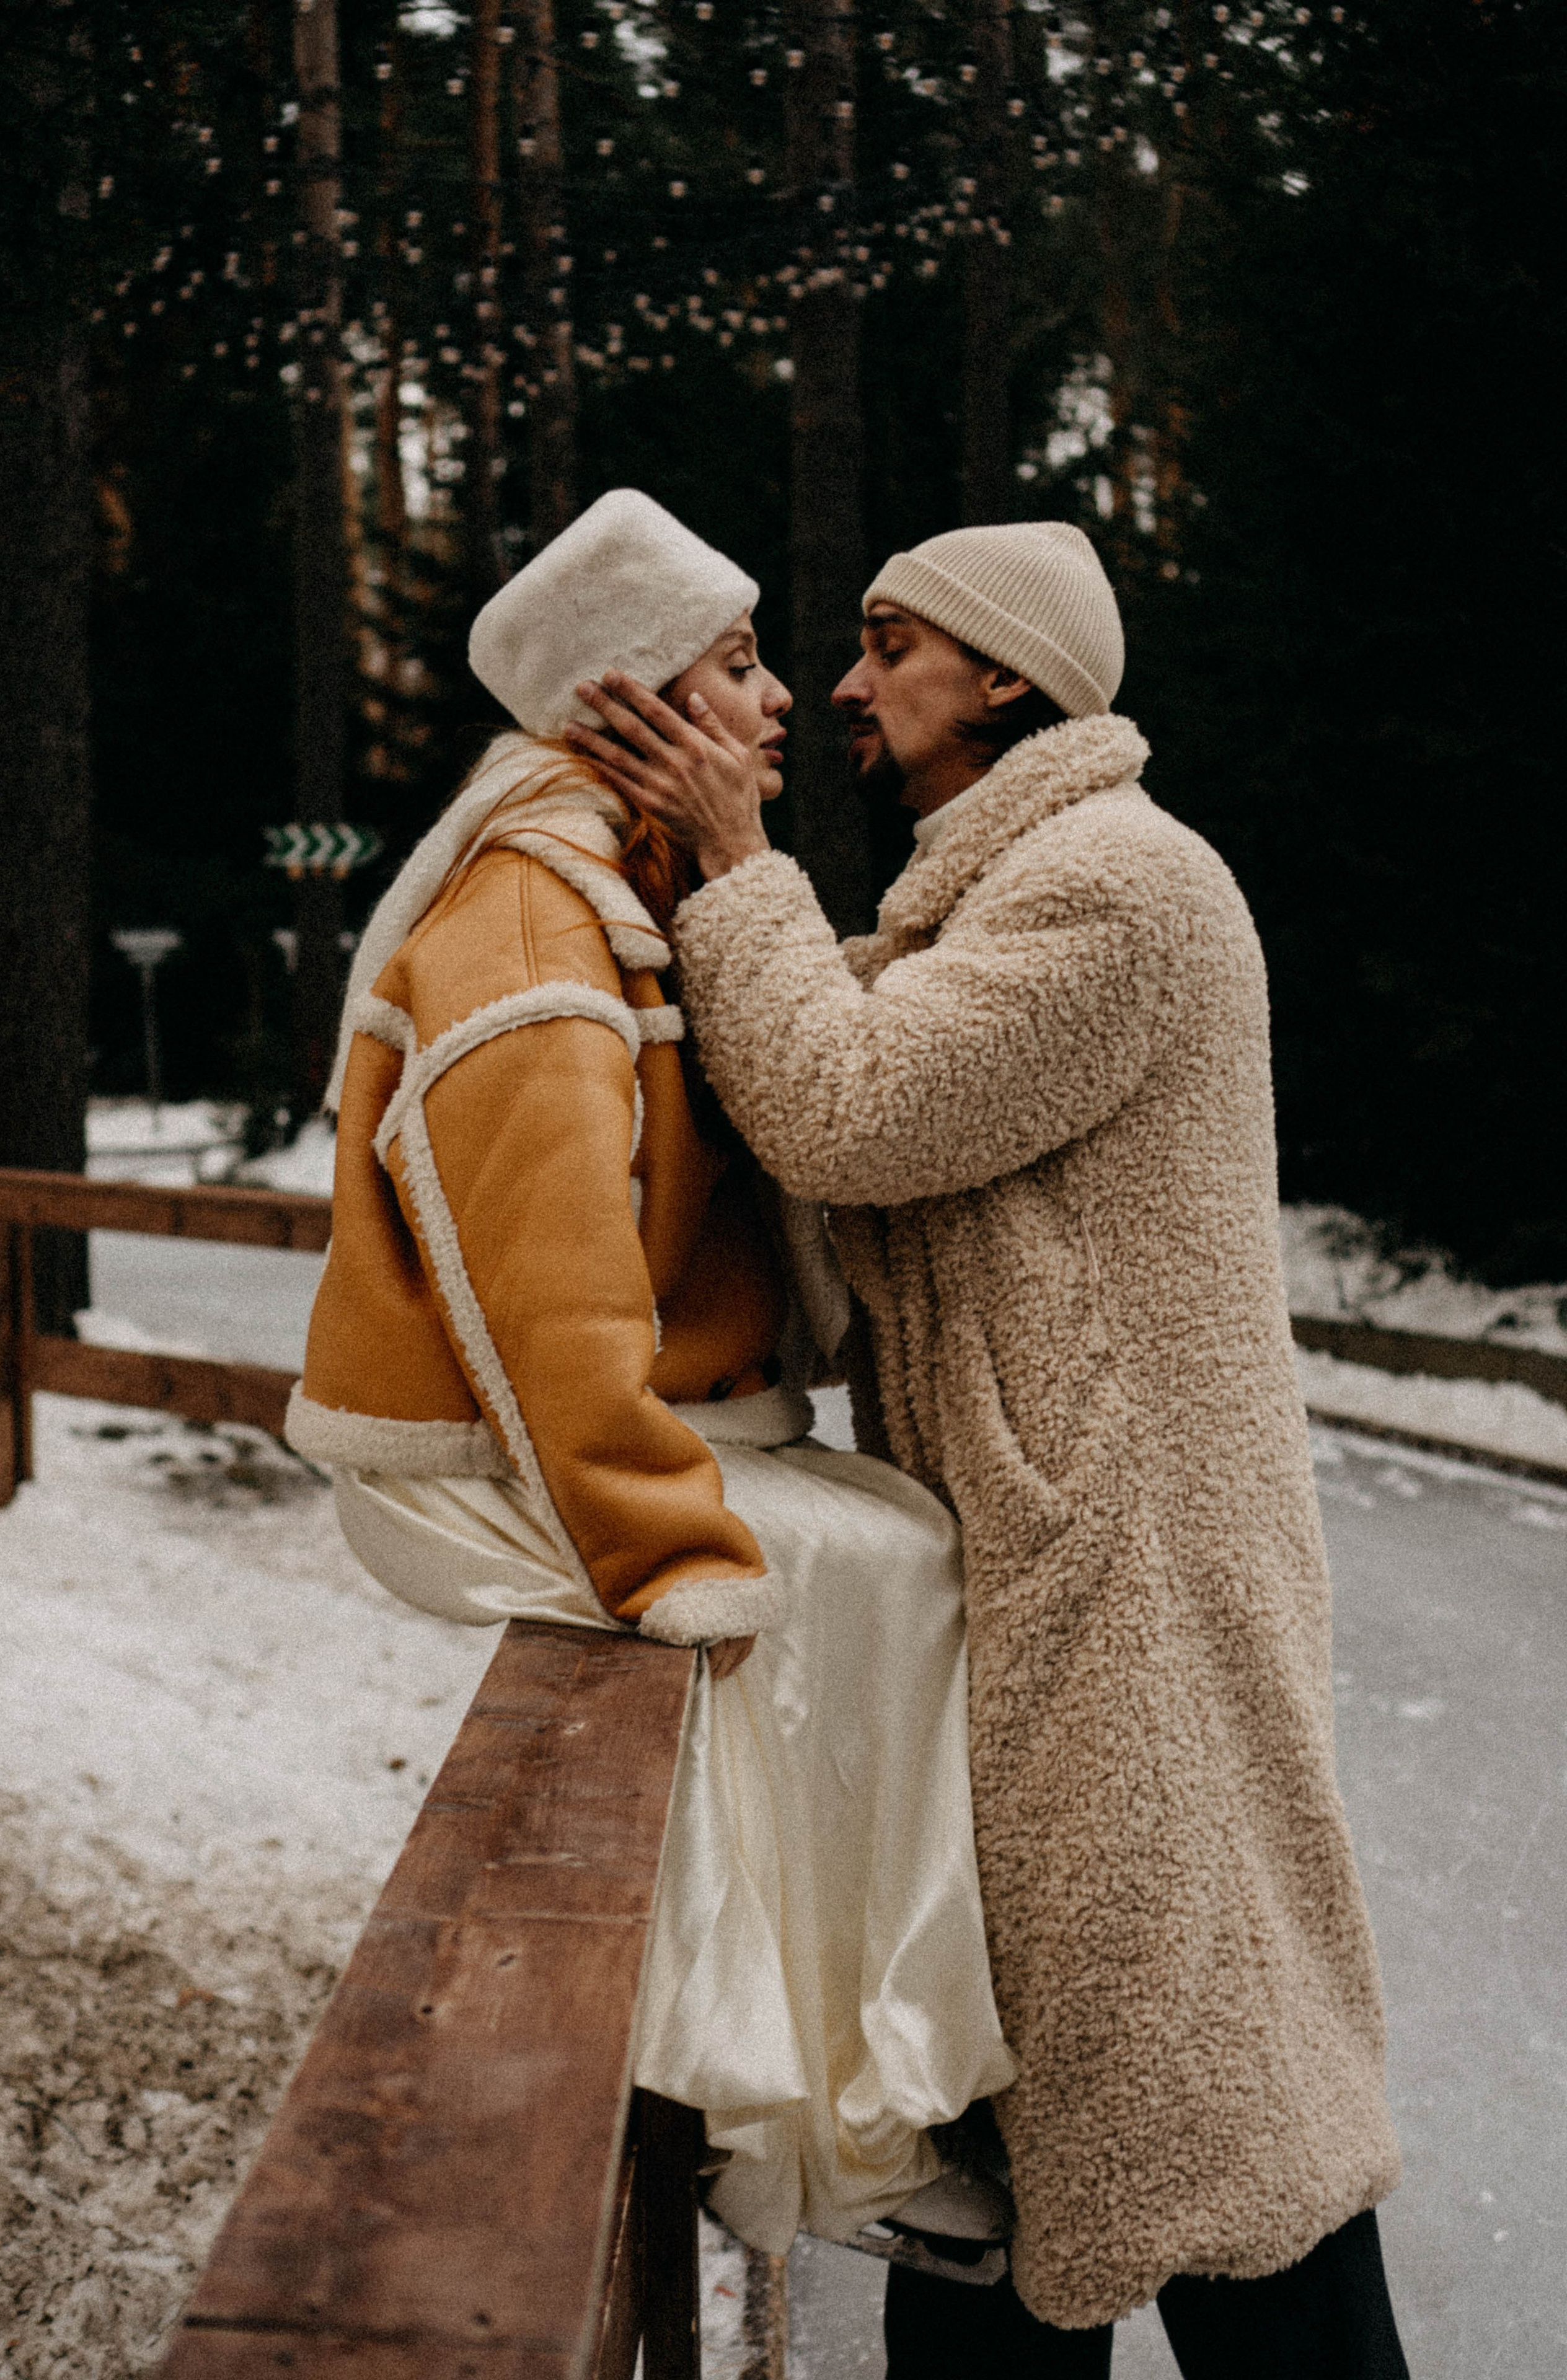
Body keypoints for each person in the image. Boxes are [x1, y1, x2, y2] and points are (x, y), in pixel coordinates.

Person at [566, 521, 1411, 2376]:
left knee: (1221, 2137)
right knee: (1024, 2142)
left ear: (1009, 670)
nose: (843, 687)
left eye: (890, 645)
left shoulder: (1118, 882)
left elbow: (850, 1111)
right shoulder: (984, 900)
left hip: (1137, 1603)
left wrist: (736, 864)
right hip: (1044, 1586)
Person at [287, 488, 1015, 2265]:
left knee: (899, 1546)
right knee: (871, 1576)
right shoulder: (537, 928)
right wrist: (662, 1549)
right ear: (626, 700)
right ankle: (806, 2125)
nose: (782, 703)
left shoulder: (627, 891)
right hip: (479, 1462)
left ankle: (864, 2087)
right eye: (739, 665)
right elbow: (541, 1304)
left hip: (583, 1433)